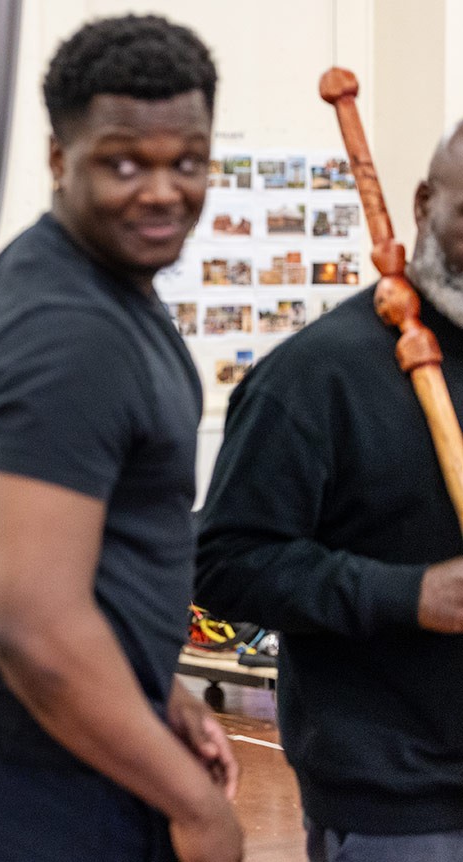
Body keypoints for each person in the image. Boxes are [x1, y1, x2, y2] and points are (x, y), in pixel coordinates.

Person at [0, 15, 241, 862]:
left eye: (186, 161)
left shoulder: (91, 280)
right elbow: (33, 625)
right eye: (123, 162)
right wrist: (197, 808)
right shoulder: (70, 333)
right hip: (13, 761)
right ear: (56, 160)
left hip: (18, 735)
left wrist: (160, 690)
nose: (160, 190)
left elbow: (91, 563)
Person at [196, 123, 463, 860]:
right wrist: (409, 594)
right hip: (402, 800)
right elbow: (225, 564)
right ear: (422, 202)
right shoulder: (316, 378)